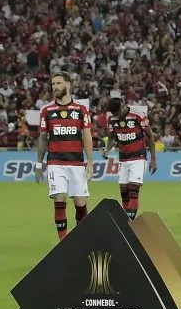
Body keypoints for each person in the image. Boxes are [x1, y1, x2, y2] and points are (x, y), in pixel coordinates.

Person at [34, 72, 94, 241]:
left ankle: (83, 239)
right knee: (59, 199)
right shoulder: (46, 111)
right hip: (55, 162)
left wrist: (90, 161)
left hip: (76, 162)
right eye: (53, 84)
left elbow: (87, 136)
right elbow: (43, 139)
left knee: (80, 204)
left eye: (59, 83)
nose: (55, 87)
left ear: (68, 85)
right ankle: (64, 243)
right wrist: (39, 165)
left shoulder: (81, 110)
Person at [102, 97, 156, 220]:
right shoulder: (111, 119)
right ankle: (126, 220)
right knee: (124, 192)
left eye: (118, 112)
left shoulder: (138, 115)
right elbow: (111, 137)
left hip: (138, 157)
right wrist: (107, 149)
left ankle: (128, 222)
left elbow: (150, 136)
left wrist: (153, 159)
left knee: (133, 189)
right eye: (115, 114)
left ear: (123, 105)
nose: (118, 116)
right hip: (123, 159)